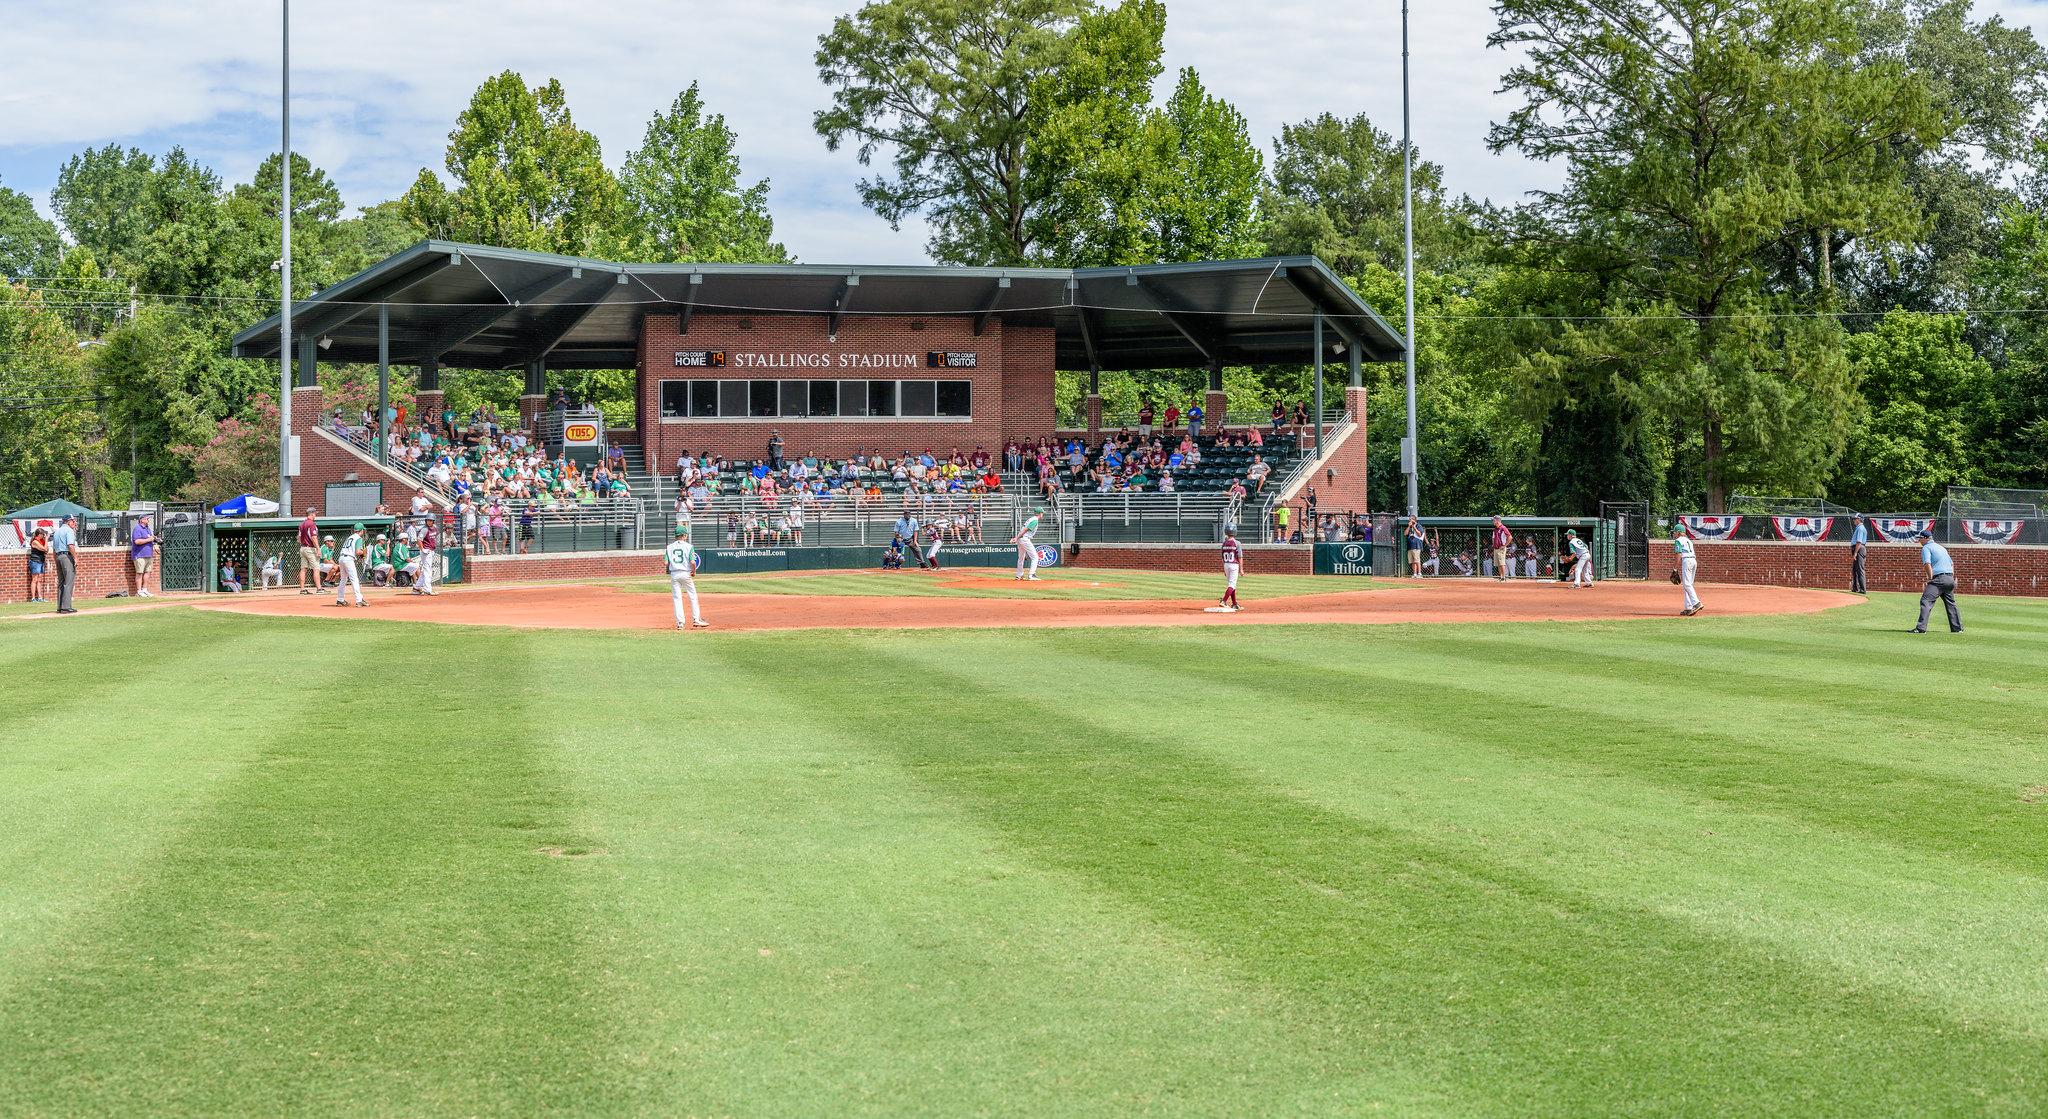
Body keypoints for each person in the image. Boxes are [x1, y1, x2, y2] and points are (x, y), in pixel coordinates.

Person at [1911, 530, 1962, 633]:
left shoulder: (1926, 548)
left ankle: (1920, 628)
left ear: (1925, 538)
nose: (1919, 541)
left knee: (1926, 600)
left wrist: (1930, 577)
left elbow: (1927, 563)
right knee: (1951, 603)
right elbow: (1951, 564)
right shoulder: (1941, 547)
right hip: (1949, 578)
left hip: (1939, 579)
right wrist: (1951, 576)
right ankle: (1957, 629)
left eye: (1920, 538)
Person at [665, 524, 709, 629]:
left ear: (676, 536)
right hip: (685, 573)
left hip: (674, 574)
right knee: (692, 596)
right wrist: (694, 571)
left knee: (677, 598)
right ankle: (696, 619)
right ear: (684, 535)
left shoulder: (669, 547)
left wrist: (669, 570)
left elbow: (666, 563)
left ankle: (680, 623)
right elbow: (693, 562)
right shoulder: (689, 546)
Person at [333, 523, 368, 607]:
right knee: (354, 579)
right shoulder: (359, 538)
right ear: (362, 530)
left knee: (343, 579)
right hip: (348, 559)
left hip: (342, 558)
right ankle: (359, 600)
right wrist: (363, 552)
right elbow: (358, 552)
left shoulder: (350, 537)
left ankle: (340, 599)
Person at [50, 514, 78, 614]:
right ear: (68, 521)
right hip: (66, 556)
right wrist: (75, 558)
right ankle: (66, 607)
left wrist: (56, 559)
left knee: (61, 582)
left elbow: (53, 549)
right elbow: (70, 546)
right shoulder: (69, 531)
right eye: (73, 521)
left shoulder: (57, 531)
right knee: (69, 581)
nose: (74, 522)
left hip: (58, 556)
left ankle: (60, 607)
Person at [1674, 525, 1703, 616]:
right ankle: (1689, 608)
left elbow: (1678, 554)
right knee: (1688, 585)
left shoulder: (1678, 540)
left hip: (1687, 561)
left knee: (1686, 584)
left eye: (1675, 532)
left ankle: (1696, 603)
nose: (1674, 533)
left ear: (1678, 532)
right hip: (1693, 561)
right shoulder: (1688, 540)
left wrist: (1675, 568)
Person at [1012, 507, 1043, 580]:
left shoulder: (1031, 519)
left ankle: (1019, 575)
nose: (1042, 514)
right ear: (1040, 513)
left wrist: (1017, 538)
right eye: (1042, 513)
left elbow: (1024, 529)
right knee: (1035, 557)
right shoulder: (1035, 520)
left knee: (1021, 558)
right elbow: (1025, 529)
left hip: (1021, 539)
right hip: (1024, 539)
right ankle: (1031, 575)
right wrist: (1016, 538)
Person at [129, 516, 157, 597]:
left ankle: (145, 590)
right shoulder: (137, 528)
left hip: (149, 554)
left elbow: (150, 538)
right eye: (147, 518)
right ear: (142, 520)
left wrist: (154, 539)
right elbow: (137, 541)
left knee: (147, 572)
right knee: (139, 573)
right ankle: (139, 591)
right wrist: (149, 540)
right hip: (139, 555)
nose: (149, 520)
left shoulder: (148, 528)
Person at [1218, 526, 1244, 612]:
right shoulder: (1237, 543)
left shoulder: (1224, 543)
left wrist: (1224, 569)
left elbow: (1222, 557)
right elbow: (1240, 557)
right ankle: (1224, 601)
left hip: (1226, 564)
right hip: (1234, 565)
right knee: (1232, 585)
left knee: (1231, 584)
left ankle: (1234, 604)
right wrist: (1241, 569)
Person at [297, 508, 321, 593]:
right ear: (312, 514)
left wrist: (304, 541)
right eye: (315, 513)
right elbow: (314, 537)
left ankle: (302, 589)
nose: (315, 515)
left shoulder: (302, 524)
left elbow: (298, 538)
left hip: (302, 548)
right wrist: (318, 549)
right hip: (310, 548)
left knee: (303, 569)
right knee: (316, 568)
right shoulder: (311, 524)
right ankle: (319, 588)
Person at [414, 517, 438, 595]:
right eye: (428, 520)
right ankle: (428, 589)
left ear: (433, 521)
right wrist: (422, 549)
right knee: (427, 570)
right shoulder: (424, 529)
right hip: (426, 551)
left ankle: (416, 587)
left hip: (431, 550)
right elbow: (419, 540)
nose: (429, 522)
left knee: (425, 570)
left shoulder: (435, 528)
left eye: (431, 520)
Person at [26, 527, 50, 602]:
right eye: (43, 534)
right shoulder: (35, 541)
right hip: (35, 561)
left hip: (41, 561)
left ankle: (40, 597)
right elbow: (44, 549)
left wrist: (45, 541)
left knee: (39, 580)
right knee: (34, 579)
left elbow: (47, 550)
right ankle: (33, 598)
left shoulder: (42, 541)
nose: (44, 536)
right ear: (39, 534)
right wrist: (46, 540)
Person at [1850, 514, 1869, 595]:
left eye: (1855, 519)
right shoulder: (1859, 528)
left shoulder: (1860, 528)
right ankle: (1855, 588)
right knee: (1854, 570)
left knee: (1860, 569)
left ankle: (1862, 589)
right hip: (1858, 548)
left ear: (1859, 519)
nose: (1854, 520)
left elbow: (1859, 542)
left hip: (1859, 549)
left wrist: (1855, 553)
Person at [1489, 517, 1512, 582]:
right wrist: (1494, 545)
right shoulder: (1495, 529)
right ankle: (1501, 577)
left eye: (1493, 520)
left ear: (1497, 520)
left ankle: (1504, 578)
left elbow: (1510, 537)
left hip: (1501, 548)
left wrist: (1505, 545)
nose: (1493, 521)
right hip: (1496, 548)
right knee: (1498, 563)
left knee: (1502, 563)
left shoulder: (1503, 528)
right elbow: (1493, 538)